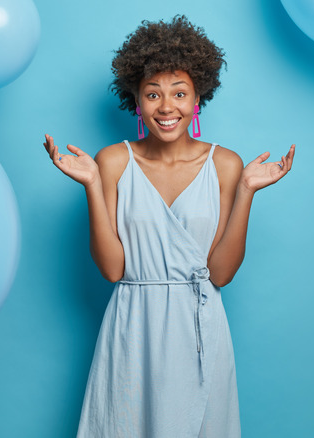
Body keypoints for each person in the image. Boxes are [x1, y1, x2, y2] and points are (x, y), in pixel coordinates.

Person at [44, 15, 295, 438]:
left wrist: (248, 190)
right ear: (136, 101)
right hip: (133, 327)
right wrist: (90, 184)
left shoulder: (226, 164)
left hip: (200, 326)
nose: (167, 107)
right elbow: (112, 270)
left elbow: (221, 274)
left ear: (198, 98)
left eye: (180, 93)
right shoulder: (112, 162)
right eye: (153, 94)